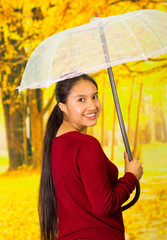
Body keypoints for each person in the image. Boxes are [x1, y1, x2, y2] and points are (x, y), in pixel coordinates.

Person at [38, 74, 143, 240]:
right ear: (63, 106)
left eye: (94, 97)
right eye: (81, 100)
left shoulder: (56, 143)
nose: (92, 106)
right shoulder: (86, 144)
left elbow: (85, 198)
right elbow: (104, 206)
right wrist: (131, 177)